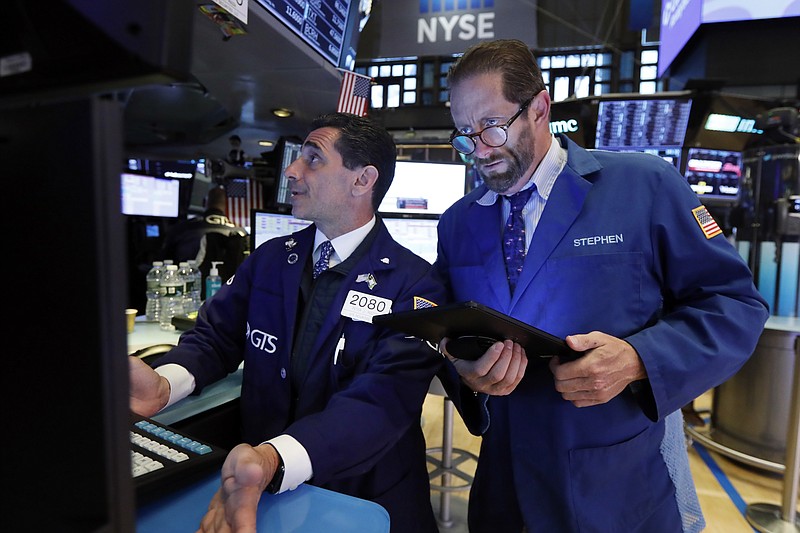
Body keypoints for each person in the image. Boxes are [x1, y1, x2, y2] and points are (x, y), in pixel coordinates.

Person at [432, 39, 770, 532]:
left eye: (491, 126)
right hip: (504, 489)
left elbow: (735, 304)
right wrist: (463, 367)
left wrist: (638, 359)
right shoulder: (458, 223)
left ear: (540, 108)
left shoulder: (644, 186)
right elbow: (446, 327)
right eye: (464, 133)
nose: (478, 150)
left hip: (616, 488)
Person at [129, 112, 445, 532]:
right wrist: (166, 383)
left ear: (362, 180)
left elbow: (382, 401)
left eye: (313, 159)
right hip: (263, 492)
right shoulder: (272, 258)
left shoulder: (417, 285)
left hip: (360, 498)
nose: (292, 171)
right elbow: (216, 338)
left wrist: (275, 458)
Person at [161, 185, 246, 265]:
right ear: (226, 205)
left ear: (204, 202)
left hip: (185, 278)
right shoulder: (239, 234)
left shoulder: (182, 229)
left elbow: (165, 258)